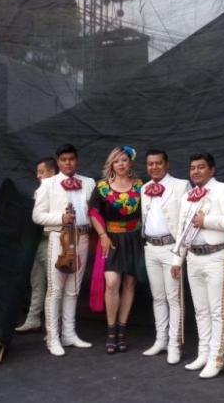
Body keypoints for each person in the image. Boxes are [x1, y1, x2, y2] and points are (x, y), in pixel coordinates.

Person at [171, 153, 224, 379]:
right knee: (200, 310)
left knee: (217, 310)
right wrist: (177, 260)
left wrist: (205, 221)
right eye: (193, 168)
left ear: (212, 170)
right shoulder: (189, 195)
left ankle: (216, 358)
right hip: (193, 256)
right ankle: (203, 353)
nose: (196, 171)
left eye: (201, 167)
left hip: (216, 256)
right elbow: (182, 229)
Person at [32, 144, 95, 356]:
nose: (68, 163)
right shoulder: (48, 184)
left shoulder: (88, 182)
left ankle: (69, 333)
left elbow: (94, 212)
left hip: (83, 237)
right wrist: (60, 218)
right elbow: (37, 216)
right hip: (59, 237)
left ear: (76, 160)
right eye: (64, 159)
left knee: (74, 289)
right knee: (56, 290)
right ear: (58, 162)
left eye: (71, 159)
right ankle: (53, 338)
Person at [88, 146, 143, 354]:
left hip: (134, 238)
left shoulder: (140, 186)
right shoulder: (102, 187)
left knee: (129, 284)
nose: (121, 164)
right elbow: (93, 211)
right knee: (112, 283)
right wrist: (102, 234)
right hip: (111, 239)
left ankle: (122, 330)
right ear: (111, 164)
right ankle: (111, 331)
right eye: (117, 161)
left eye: (124, 160)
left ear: (130, 163)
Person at [140, 149, 189, 364]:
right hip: (151, 246)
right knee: (158, 296)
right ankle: (160, 340)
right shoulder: (144, 188)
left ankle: (174, 344)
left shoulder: (181, 185)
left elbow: (186, 222)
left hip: (171, 247)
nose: (154, 167)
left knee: (173, 298)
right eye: (150, 164)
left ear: (166, 164)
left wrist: (180, 253)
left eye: (158, 163)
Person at [15, 157, 58, 332]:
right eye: (37, 172)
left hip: (52, 241)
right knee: (37, 283)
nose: (38, 176)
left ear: (52, 172)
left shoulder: (58, 191)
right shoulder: (39, 191)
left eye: (42, 172)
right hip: (36, 242)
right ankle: (33, 318)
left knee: (54, 287)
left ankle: (53, 327)